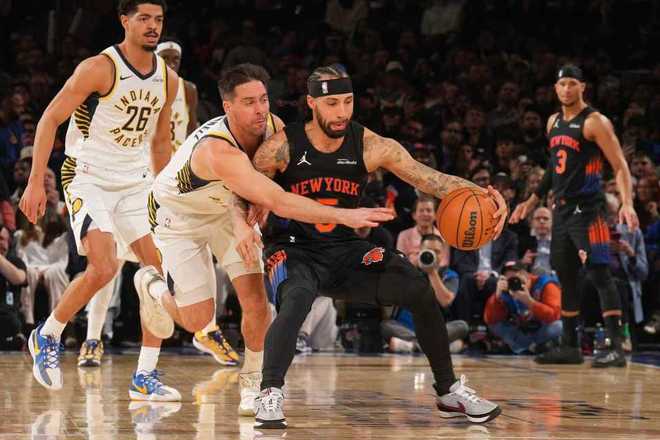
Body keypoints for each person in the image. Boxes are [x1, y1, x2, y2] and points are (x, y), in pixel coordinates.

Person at [251, 64, 508, 428]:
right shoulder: (280, 148)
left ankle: (449, 391)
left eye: (348, 101)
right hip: (293, 249)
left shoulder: (370, 145)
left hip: (344, 249)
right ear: (311, 103)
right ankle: (269, 392)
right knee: (297, 299)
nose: (342, 112)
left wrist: (486, 196)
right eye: (332, 103)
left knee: (416, 285)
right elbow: (246, 197)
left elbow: (431, 180)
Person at [131, 63, 393, 415]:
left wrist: (249, 211)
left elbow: (276, 182)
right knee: (197, 320)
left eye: (264, 99)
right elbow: (279, 199)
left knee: (257, 301)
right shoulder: (216, 150)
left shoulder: (274, 128)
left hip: (226, 209)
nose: (260, 110)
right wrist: (345, 215)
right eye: (249, 102)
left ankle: (252, 383)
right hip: (179, 215)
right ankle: (150, 285)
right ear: (228, 107)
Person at [19, 0, 181, 399]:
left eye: (158, 20)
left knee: (157, 274)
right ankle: (47, 334)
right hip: (88, 175)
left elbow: (161, 143)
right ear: (125, 21)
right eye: (144, 18)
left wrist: (167, 195)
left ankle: (145, 375)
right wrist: (36, 180)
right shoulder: (99, 68)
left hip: (135, 182)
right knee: (104, 267)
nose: (152, 26)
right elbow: (49, 118)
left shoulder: (168, 79)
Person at [510, 64, 639, 367]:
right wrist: (531, 200)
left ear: (582, 87)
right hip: (562, 210)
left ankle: (616, 347)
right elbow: (553, 168)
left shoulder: (595, 122)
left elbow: (619, 165)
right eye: (562, 84)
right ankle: (569, 346)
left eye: (572, 83)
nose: (566, 89)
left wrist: (627, 202)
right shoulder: (553, 122)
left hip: (589, 209)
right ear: (555, 88)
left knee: (600, 274)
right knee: (566, 275)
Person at [484, 261, 562, 354]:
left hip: (542, 330)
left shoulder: (546, 285)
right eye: (510, 280)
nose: (515, 282)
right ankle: (526, 348)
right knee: (496, 326)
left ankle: (530, 347)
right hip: (521, 333)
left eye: (517, 278)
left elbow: (554, 315)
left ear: (526, 274)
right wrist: (497, 297)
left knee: (559, 326)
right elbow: (490, 319)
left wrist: (530, 302)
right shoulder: (505, 291)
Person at [155, 39, 199, 150]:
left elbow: (192, 126)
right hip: (149, 154)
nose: (171, 64)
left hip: (177, 155)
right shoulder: (145, 85)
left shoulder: (188, 88)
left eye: (176, 59)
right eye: (165, 58)